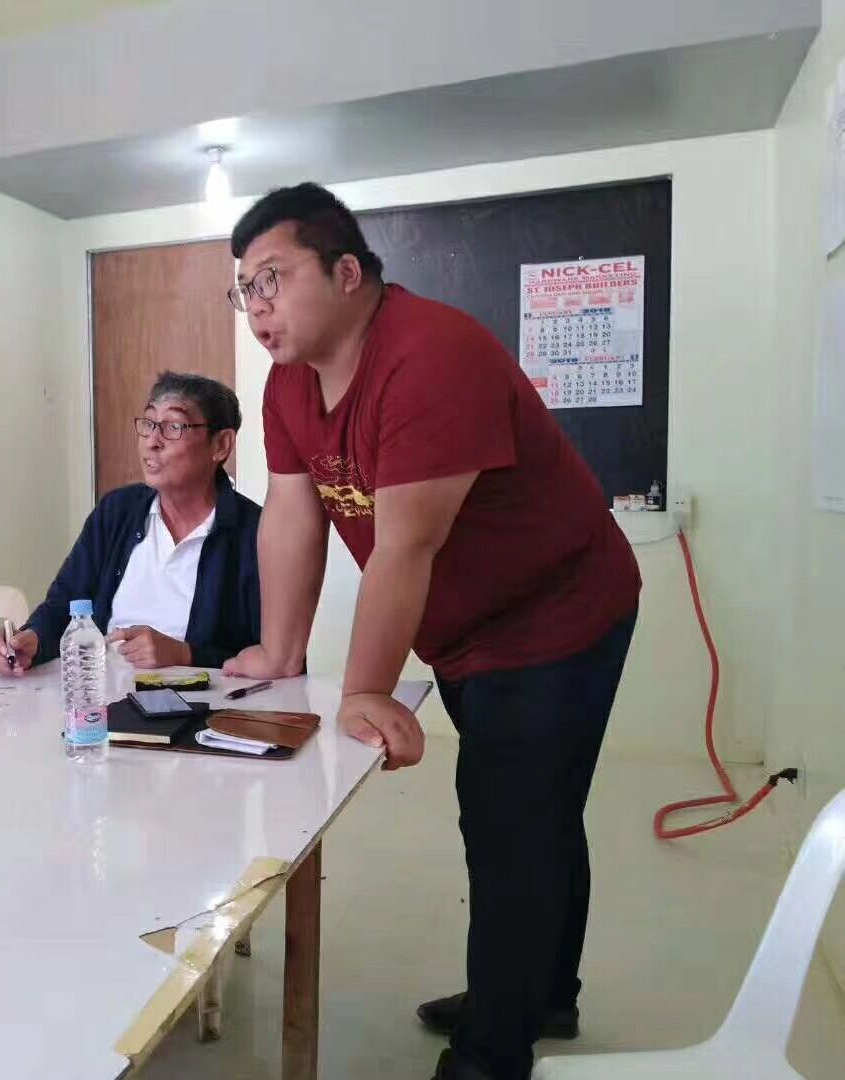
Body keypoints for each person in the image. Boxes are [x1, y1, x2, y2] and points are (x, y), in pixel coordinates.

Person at [221, 184, 640, 1080]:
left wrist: (367, 688)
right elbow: (292, 514)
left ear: (347, 272)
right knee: (532, 811)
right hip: (465, 626)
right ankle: (537, 994)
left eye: (272, 278)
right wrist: (281, 650)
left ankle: (494, 1050)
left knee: (510, 818)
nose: (256, 306)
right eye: (244, 288)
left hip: (558, 612)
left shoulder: (430, 355)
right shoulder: (290, 382)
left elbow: (406, 545)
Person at [0, 372, 261, 675]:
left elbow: (275, 657)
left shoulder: (256, 533)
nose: (152, 442)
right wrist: (31, 639)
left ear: (221, 445)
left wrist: (185, 654)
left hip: (203, 700)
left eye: (173, 427)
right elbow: (65, 604)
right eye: (149, 424)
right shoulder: (117, 512)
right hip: (103, 691)